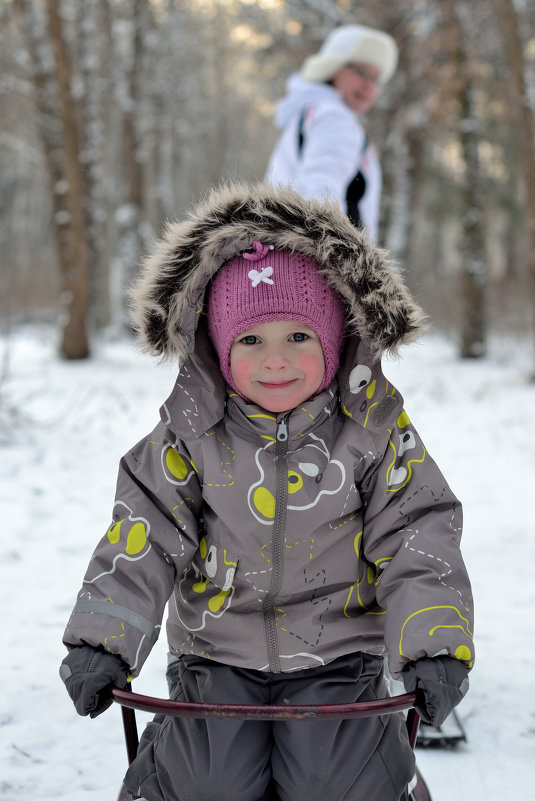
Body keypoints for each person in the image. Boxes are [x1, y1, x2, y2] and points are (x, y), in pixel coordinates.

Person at [59, 183, 474, 801]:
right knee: (207, 784)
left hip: (340, 659)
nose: (274, 361)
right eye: (250, 340)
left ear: (334, 343)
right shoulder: (190, 434)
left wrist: (434, 644)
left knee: (335, 784)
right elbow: (142, 535)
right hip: (214, 656)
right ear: (220, 351)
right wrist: (105, 639)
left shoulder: (372, 430)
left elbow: (419, 534)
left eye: (298, 338)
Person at [265, 24, 398, 241]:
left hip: (286, 251)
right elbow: (320, 195)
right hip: (323, 264)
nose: (369, 87)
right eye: (362, 73)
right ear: (335, 68)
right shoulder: (335, 118)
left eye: (376, 79)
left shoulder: (310, 113)